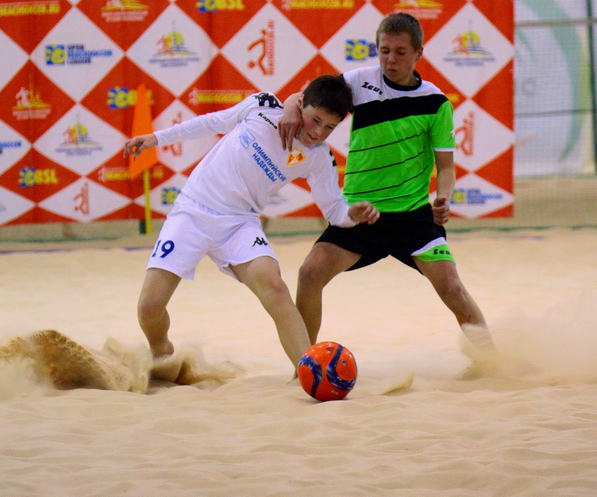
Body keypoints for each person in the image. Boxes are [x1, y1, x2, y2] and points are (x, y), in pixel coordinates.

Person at [123, 75, 380, 370]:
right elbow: (211, 122)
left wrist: (351, 215)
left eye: (330, 128)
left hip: (239, 224)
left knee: (275, 287)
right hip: (192, 211)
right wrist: (156, 138)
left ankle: (308, 372)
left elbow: (334, 210)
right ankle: (161, 352)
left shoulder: (319, 157)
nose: (318, 132)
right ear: (301, 103)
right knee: (149, 307)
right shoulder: (262, 106)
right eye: (316, 120)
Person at [278, 13, 496, 356]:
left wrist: (443, 197)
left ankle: (492, 361)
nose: (390, 60)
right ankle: (304, 366)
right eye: (384, 51)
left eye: (400, 52)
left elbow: (446, 168)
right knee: (309, 273)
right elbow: (307, 96)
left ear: (418, 54)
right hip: (361, 214)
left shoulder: (436, 103)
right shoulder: (357, 82)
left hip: (413, 217)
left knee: (453, 289)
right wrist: (291, 108)